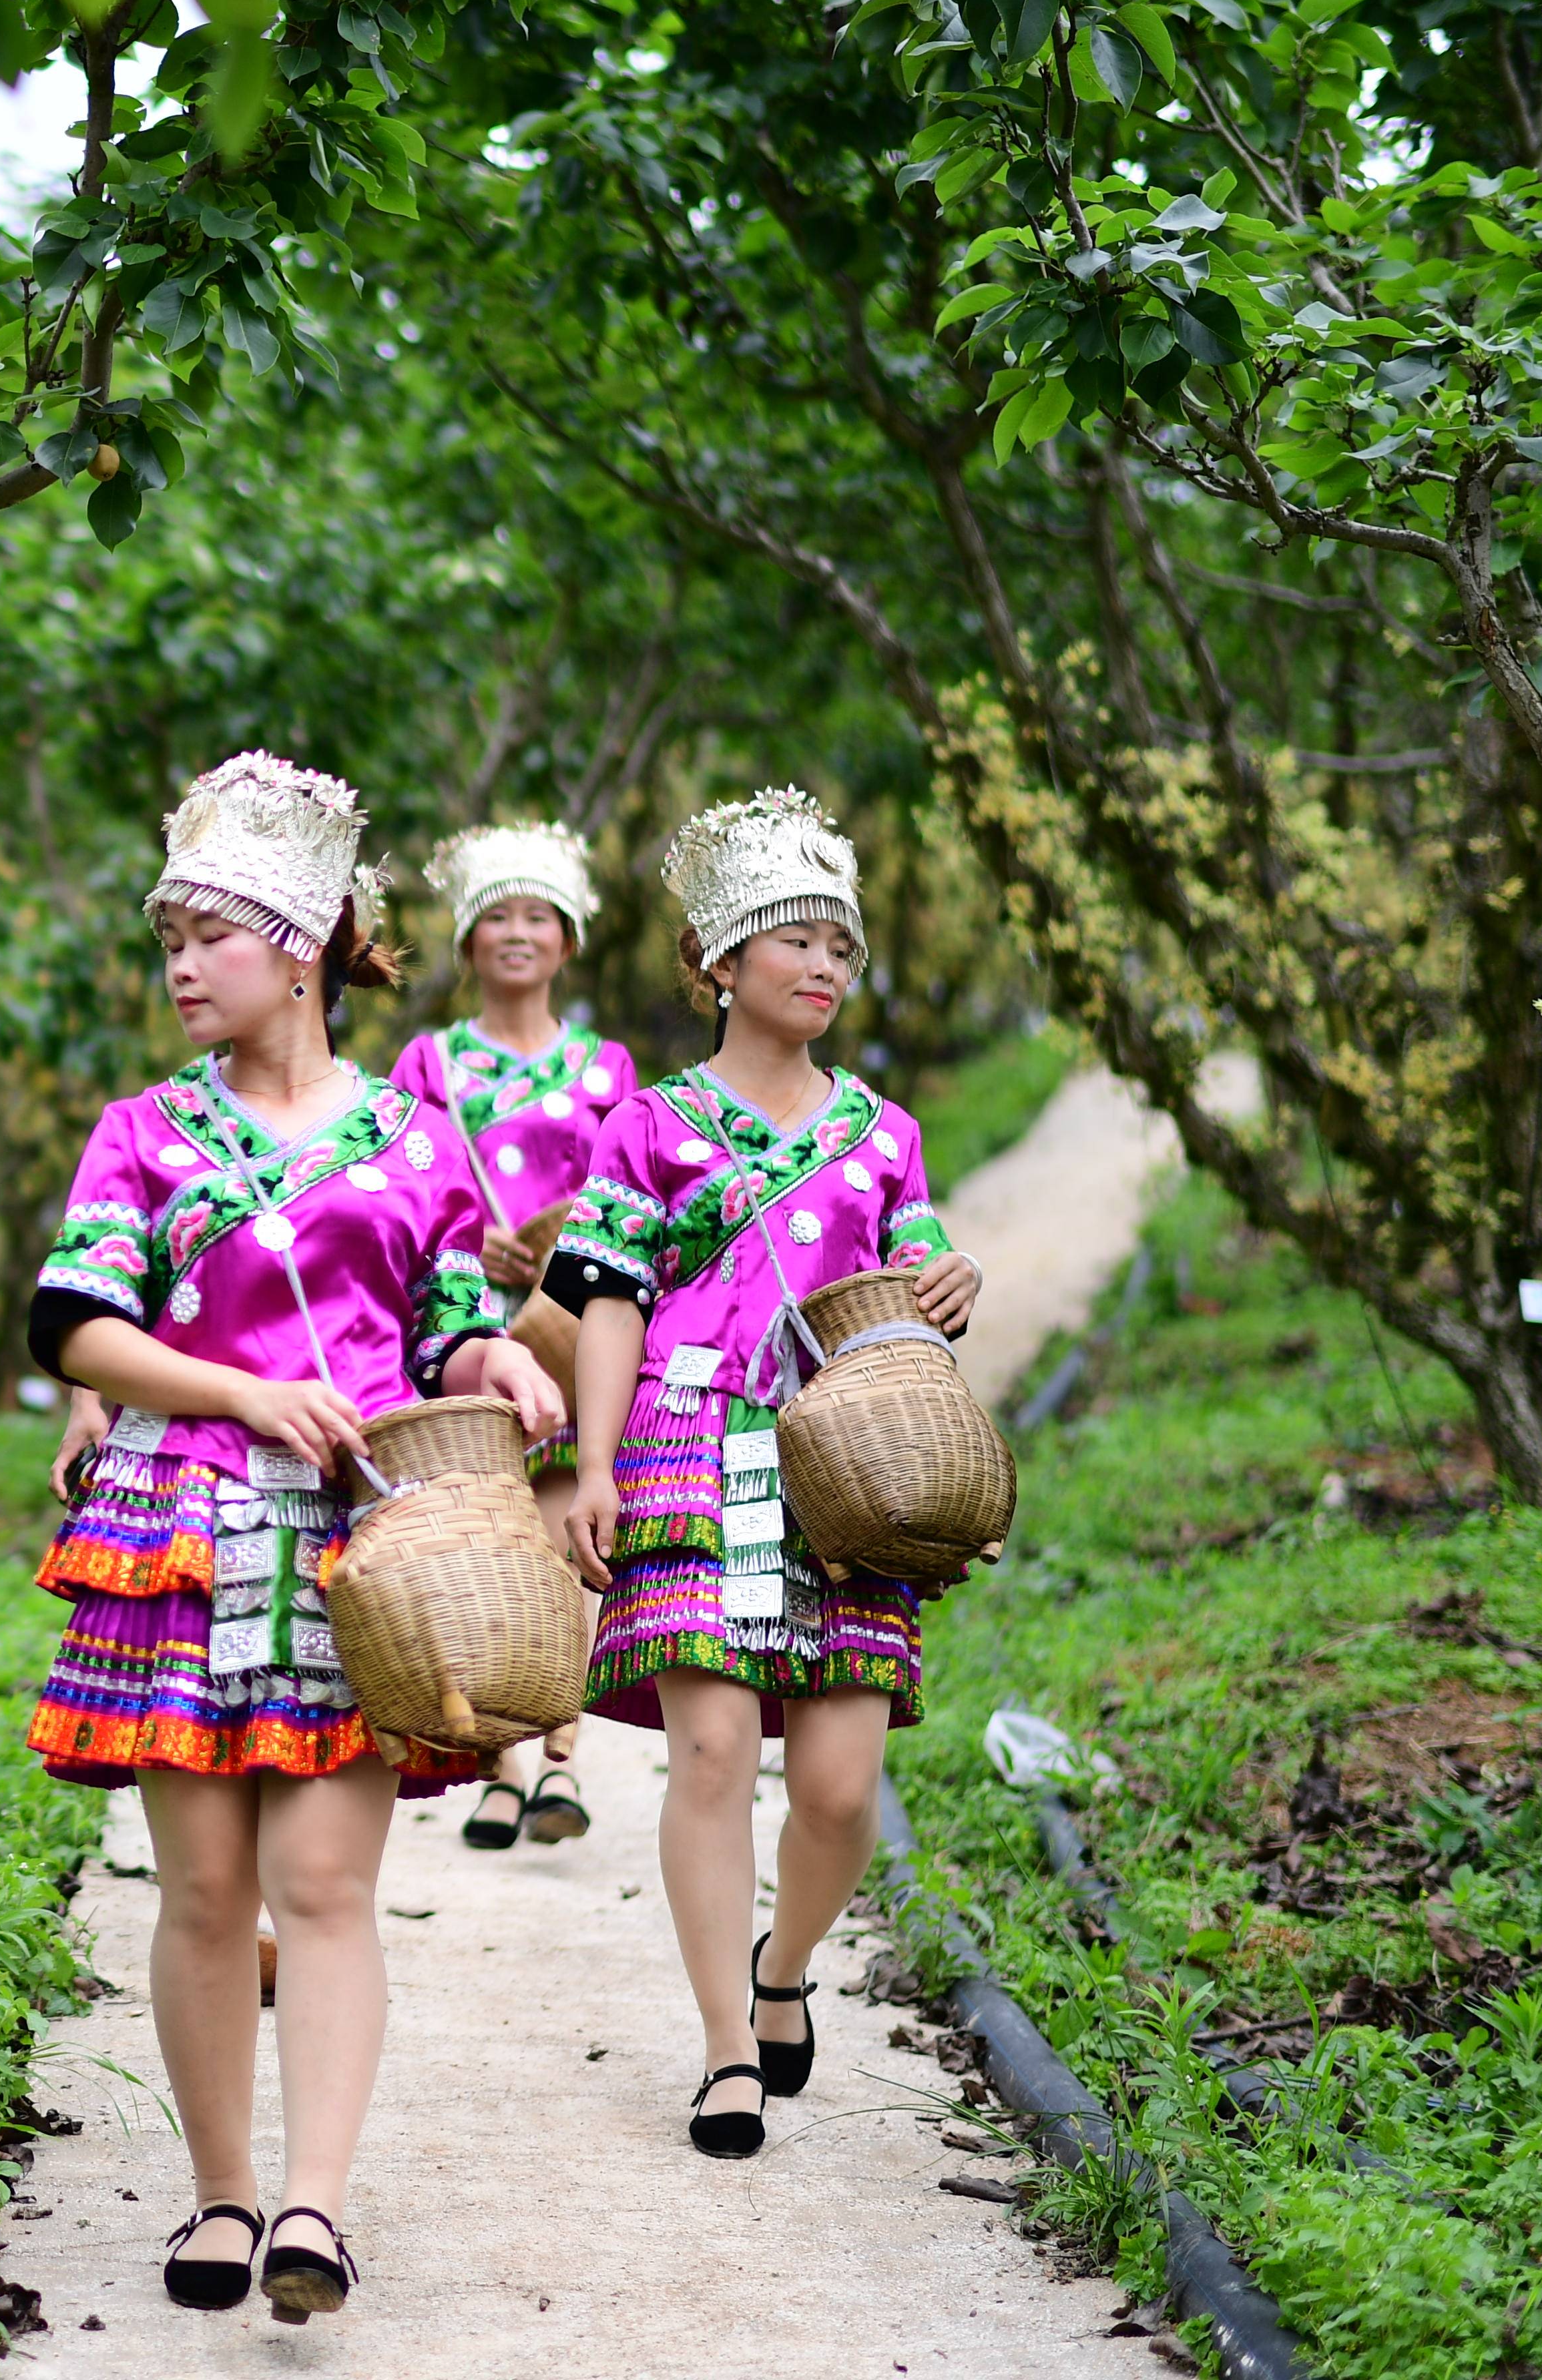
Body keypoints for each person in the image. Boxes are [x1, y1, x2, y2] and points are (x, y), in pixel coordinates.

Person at [23, 752, 565, 2322]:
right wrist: (246, 1393)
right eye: (169, 938)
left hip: (358, 1546)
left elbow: (450, 1323)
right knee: (201, 1892)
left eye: (211, 933)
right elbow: (76, 1324)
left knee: (324, 1886)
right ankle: (220, 2194)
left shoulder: (413, 1136)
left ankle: (314, 2203)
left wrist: (506, 1360)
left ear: (306, 939)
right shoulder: (141, 1130)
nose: (182, 965)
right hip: (182, 1526)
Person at [537, 789, 985, 2158]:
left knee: (844, 1782)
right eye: (795, 939)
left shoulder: (883, 1131)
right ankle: (726, 2050)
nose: (825, 966)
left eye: (841, 947)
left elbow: (899, 1296)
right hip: (688, 1442)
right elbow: (606, 1300)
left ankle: (782, 1963)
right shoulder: (650, 1125)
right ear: (719, 960)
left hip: (847, 1465)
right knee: (715, 1745)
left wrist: (946, 1283)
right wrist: (593, 1462)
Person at [389, 822, 635, 1852]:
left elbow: (636, 1193)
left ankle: (559, 1754)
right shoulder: (430, 1063)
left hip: (569, 1326)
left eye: (538, 915)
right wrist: (471, 1243)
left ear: (569, 940)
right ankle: (501, 1763)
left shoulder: (605, 1067)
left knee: (555, 1534)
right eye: (497, 916)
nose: (518, 933)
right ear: (467, 942)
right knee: (483, 1536)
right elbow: (401, 1184)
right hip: (470, 1324)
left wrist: (564, 1250)